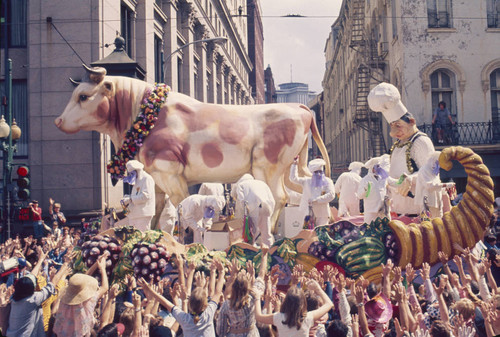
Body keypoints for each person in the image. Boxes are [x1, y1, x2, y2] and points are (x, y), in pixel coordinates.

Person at [368, 82, 435, 216]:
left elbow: (430, 173)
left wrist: (411, 179)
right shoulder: (398, 145)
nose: (394, 132)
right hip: (398, 210)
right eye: (392, 126)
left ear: (411, 121)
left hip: (418, 211)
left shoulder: (420, 142)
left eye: (398, 125)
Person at [53, 254, 109, 337]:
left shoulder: (64, 300)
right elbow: (104, 288)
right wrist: (102, 269)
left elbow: (82, 282)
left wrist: (96, 264)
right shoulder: (88, 302)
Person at [231, 174, 275, 247]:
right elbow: (272, 199)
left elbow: (241, 201)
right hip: (267, 207)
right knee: (266, 232)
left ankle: (251, 250)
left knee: (252, 232)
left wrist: (241, 216)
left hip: (254, 208)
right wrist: (270, 212)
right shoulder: (262, 183)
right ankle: (269, 251)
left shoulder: (241, 185)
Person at [290, 157, 336, 227]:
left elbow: (331, 195)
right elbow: (293, 178)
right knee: (309, 234)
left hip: (322, 213)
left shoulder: (328, 181)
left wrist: (316, 200)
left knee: (321, 233)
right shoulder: (307, 181)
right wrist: (295, 164)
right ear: (312, 173)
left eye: (320, 172)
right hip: (308, 213)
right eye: (316, 172)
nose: (319, 174)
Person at [121, 160, 156, 231]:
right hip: (135, 214)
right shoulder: (137, 180)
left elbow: (146, 196)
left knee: (142, 237)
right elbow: (137, 195)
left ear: (138, 171)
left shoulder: (147, 179)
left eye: (133, 173)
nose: (132, 175)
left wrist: (131, 199)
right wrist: (128, 199)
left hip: (143, 214)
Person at [357, 157, 390, 225]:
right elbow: (359, 196)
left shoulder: (383, 178)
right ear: (372, 168)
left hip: (383, 211)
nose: (378, 169)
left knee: (386, 231)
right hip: (371, 212)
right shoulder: (365, 180)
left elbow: (394, 183)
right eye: (376, 167)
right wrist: (365, 189)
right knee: (370, 231)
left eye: (379, 167)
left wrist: (402, 179)